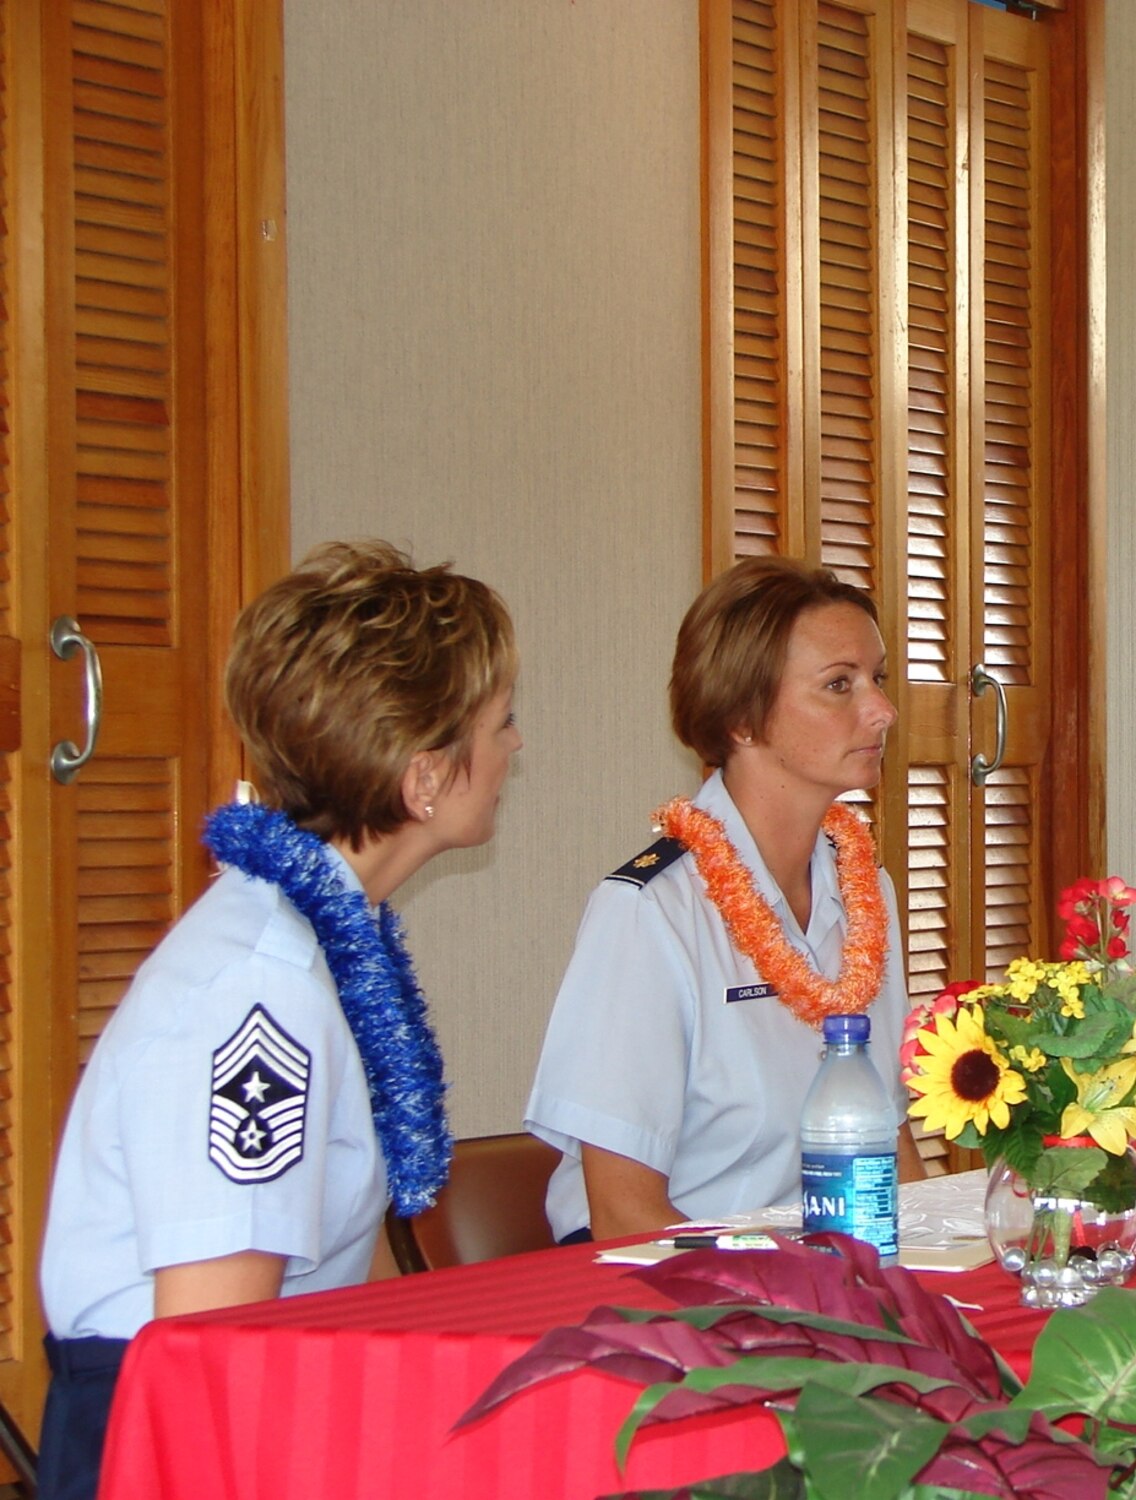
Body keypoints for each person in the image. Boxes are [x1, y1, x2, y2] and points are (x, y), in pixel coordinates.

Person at [38, 541, 520, 1500]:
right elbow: (212, 1344)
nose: (516, 750)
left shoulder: (331, 940)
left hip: (286, 1399)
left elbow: (351, 1267)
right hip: (170, 1440)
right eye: (504, 724)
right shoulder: (260, 994)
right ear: (424, 778)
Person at [526, 556, 916, 1243]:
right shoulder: (652, 912)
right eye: (838, 685)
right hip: (675, 1292)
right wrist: (795, 1292)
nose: (882, 710)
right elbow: (621, 1217)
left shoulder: (867, 893)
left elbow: (887, 1148)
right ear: (742, 718)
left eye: (877, 679)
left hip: (834, 1287)